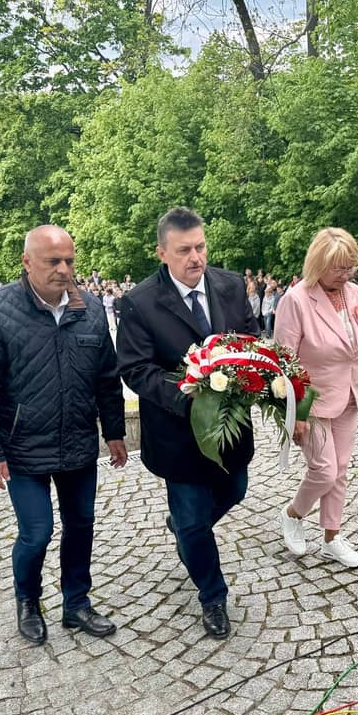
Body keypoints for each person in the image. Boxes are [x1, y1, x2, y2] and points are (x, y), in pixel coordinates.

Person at [0, 225, 127, 645]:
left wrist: (114, 431)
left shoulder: (89, 309)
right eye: (53, 261)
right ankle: (28, 602)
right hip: (22, 449)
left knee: (81, 525)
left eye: (69, 260)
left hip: (77, 443)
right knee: (37, 532)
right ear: (27, 262)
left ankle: (76, 603)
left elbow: (107, 378)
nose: (64, 269)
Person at [116, 206, 259, 639]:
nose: (195, 257)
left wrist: (252, 373)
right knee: (195, 520)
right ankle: (212, 596)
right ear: (162, 253)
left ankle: (181, 528)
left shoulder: (230, 285)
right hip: (177, 435)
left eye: (200, 247)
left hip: (231, 429)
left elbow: (251, 338)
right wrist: (186, 392)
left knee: (235, 491)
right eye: (184, 250)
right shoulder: (139, 302)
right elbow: (135, 369)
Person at [274, 228, 358, 568]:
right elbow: (285, 363)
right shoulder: (296, 300)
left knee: (340, 471)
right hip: (311, 401)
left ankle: (331, 538)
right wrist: (295, 413)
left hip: (348, 397)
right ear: (318, 264)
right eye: (338, 267)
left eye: (351, 266)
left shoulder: (356, 295)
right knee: (324, 471)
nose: (346, 274)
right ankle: (293, 514)